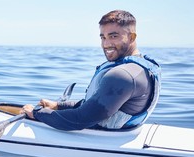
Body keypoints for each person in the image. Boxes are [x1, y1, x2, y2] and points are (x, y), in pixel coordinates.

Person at [22, 10, 161, 131]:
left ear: (132, 37)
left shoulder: (122, 75)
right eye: (103, 37)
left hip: (102, 143)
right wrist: (58, 106)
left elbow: (81, 118)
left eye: (114, 36)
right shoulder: (139, 67)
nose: (106, 44)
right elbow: (96, 105)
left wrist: (37, 113)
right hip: (125, 133)